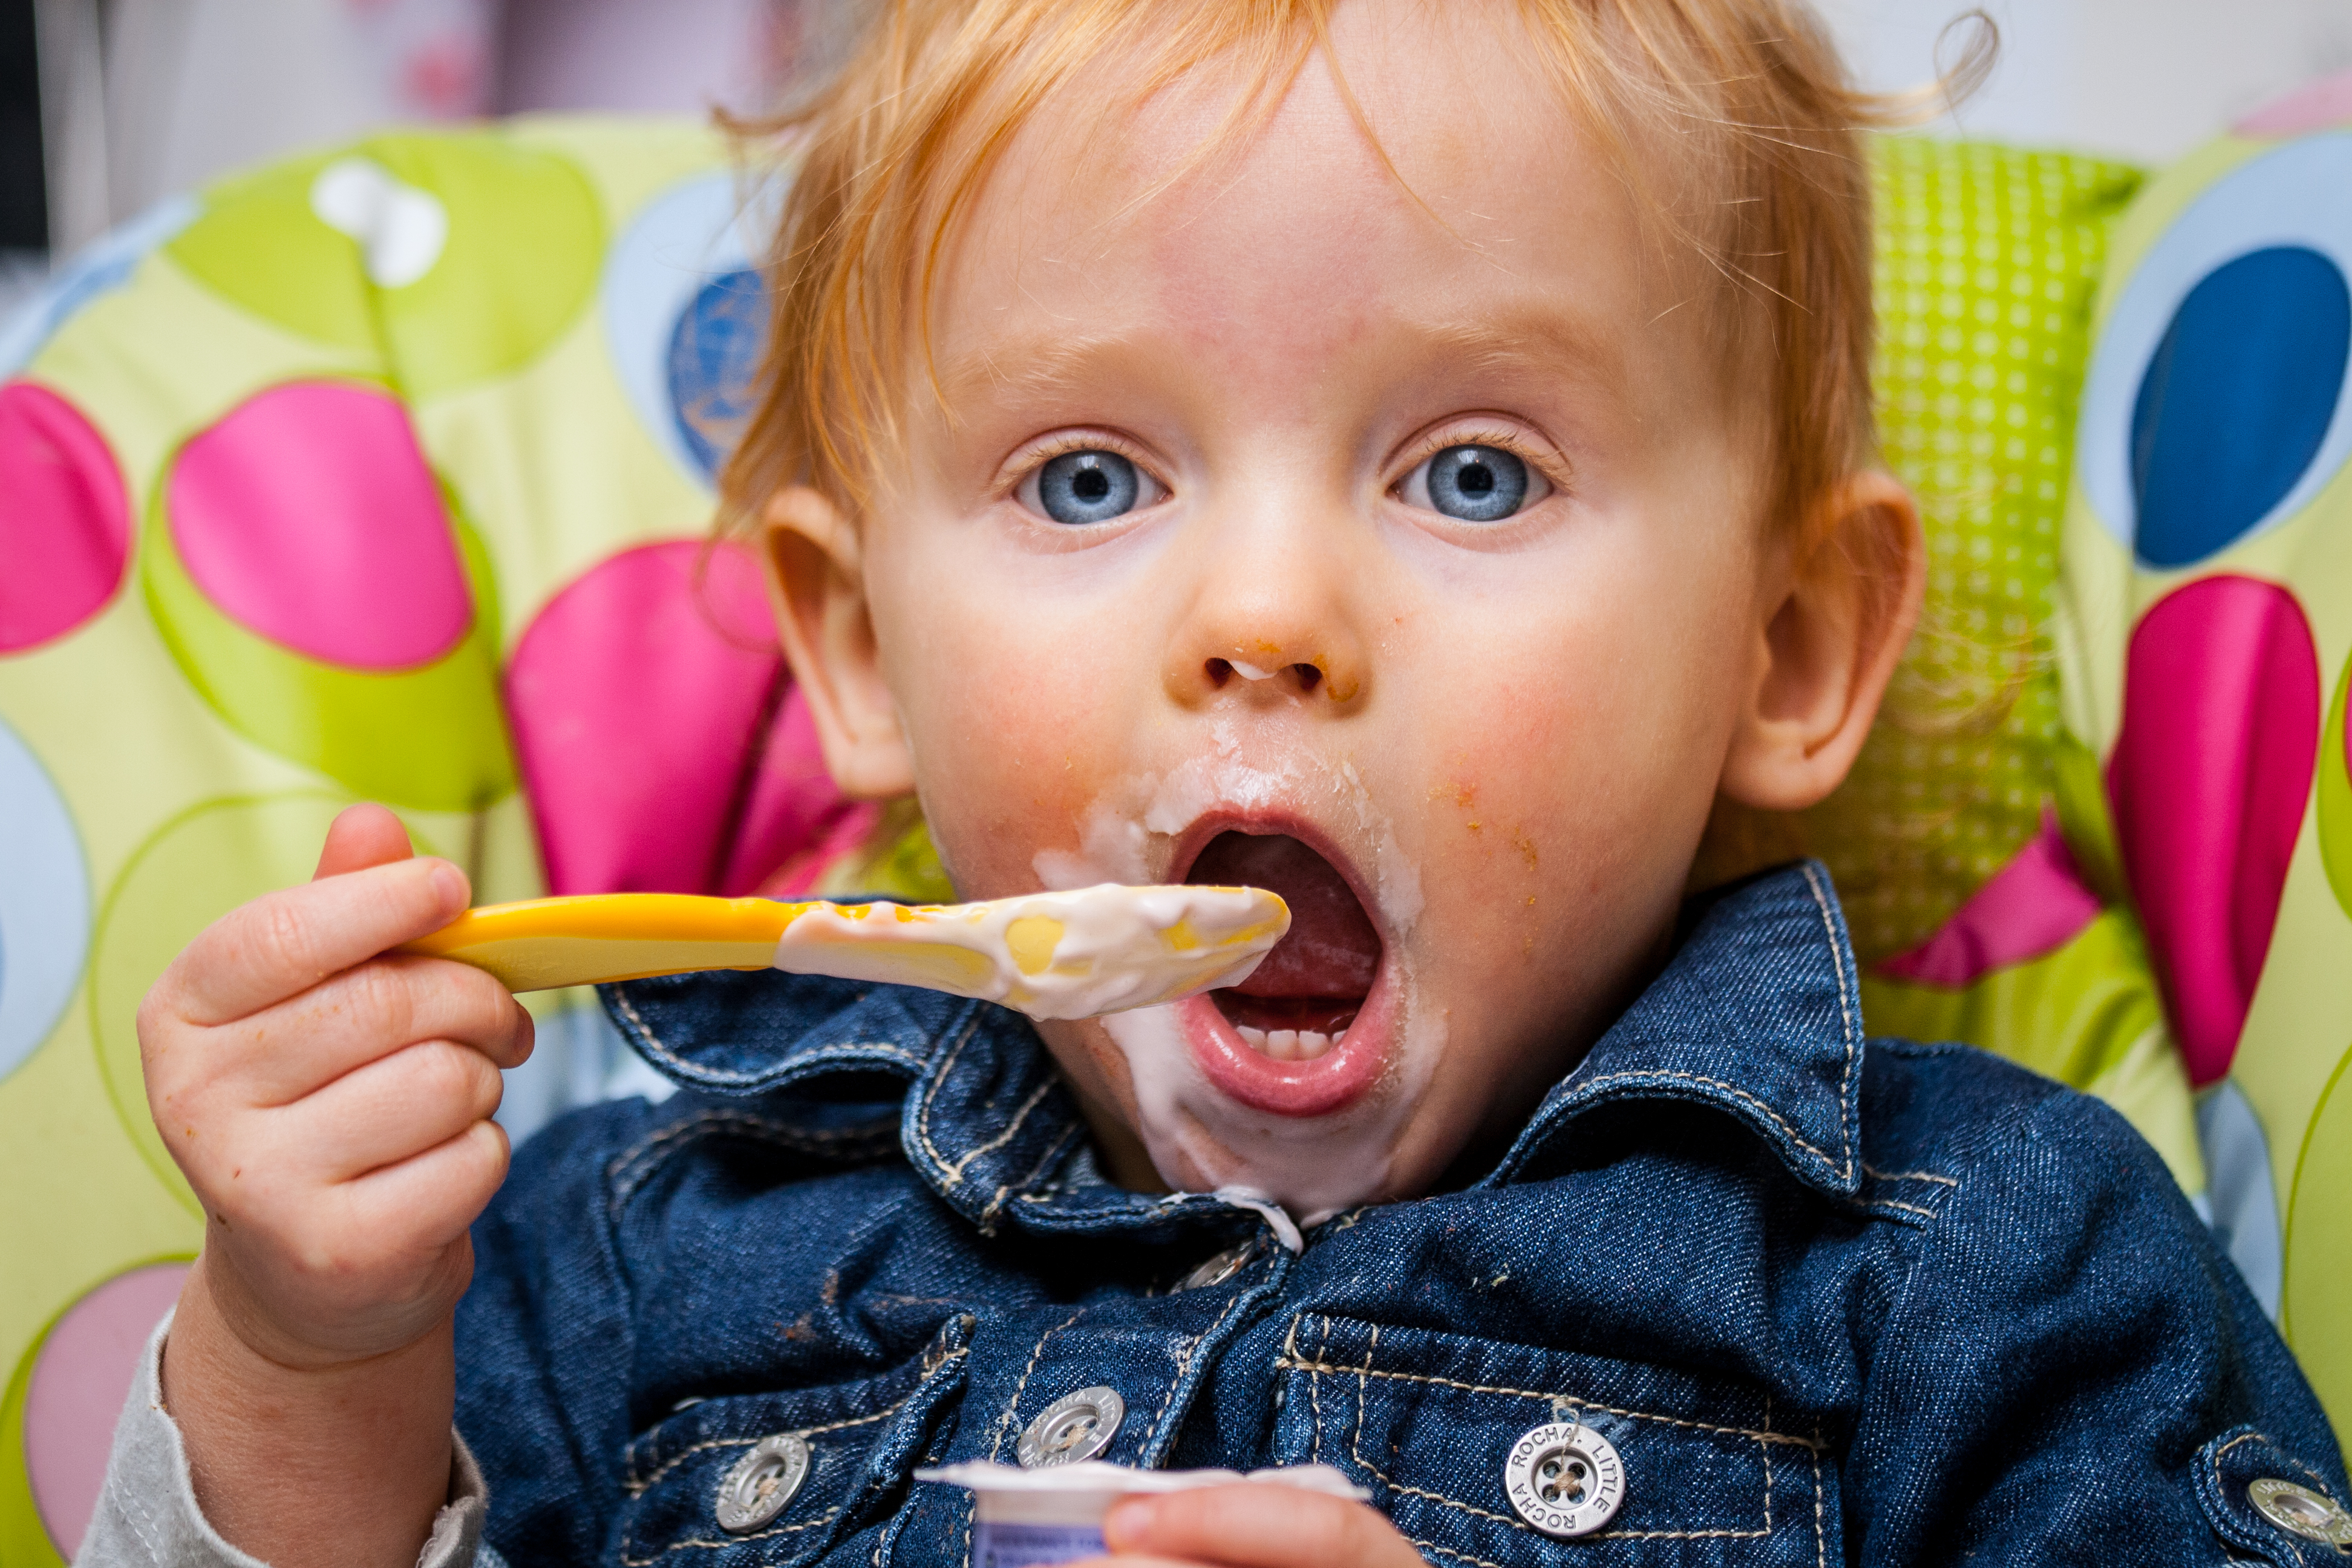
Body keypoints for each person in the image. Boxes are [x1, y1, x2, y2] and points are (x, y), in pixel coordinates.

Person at [83, 1, 2351, 1564]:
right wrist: (308, 1356)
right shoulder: (634, 1250)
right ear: (860, 650)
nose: (1260, 618)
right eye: (1087, 478)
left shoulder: (1979, 1275)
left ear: (1786, 652)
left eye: (1475, 469)